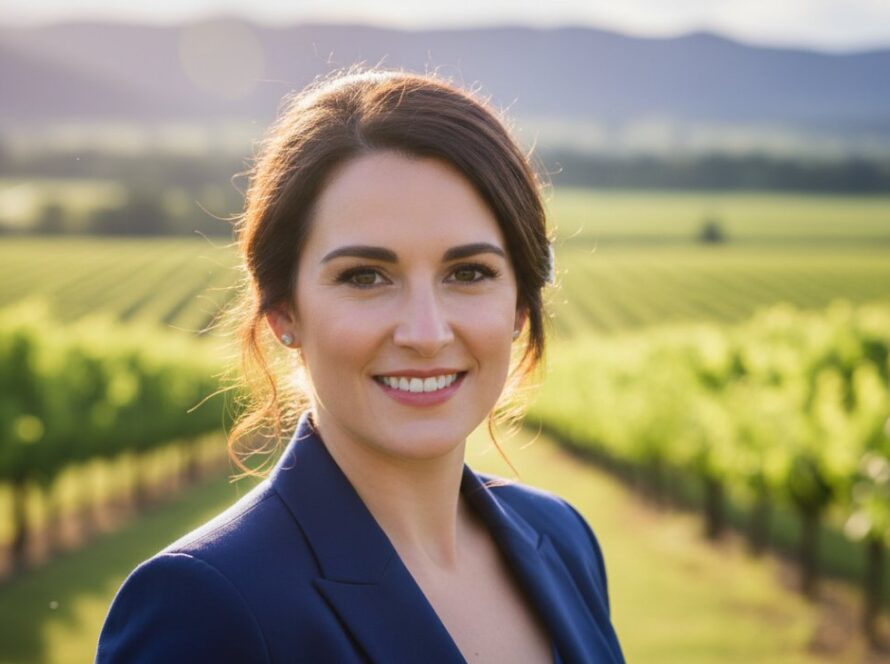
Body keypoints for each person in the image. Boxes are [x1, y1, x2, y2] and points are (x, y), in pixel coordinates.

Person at [96, 67, 626, 664]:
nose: (426, 334)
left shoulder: (562, 539)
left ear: (520, 305)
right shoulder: (203, 605)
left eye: (468, 273)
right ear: (282, 310)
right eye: (365, 277)